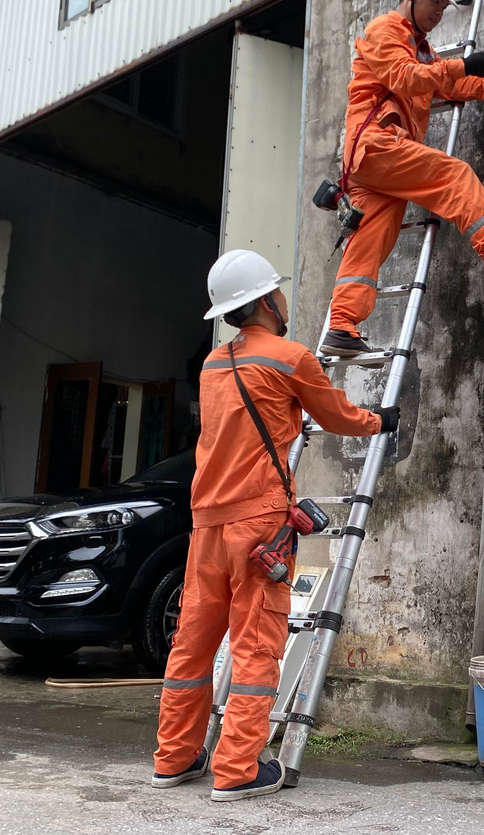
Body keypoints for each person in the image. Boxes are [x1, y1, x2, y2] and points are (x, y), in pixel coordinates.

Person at [152, 249, 395, 800]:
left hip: (206, 524)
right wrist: (381, 420)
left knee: (191, 645)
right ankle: (237, 770)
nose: (284, 299)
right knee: (257, 645)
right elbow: (335, 415)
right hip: (258, 524)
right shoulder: (290, 357)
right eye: (278, 292)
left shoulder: (213, 366)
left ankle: (174, 758)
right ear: (265, 300)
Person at [320, 0, 484, 357]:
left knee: (370, 240)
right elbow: (406, 77)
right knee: (454, 176)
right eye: (433, 1)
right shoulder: (385, 30)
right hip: (377, 145)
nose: (438, 11)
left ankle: (341, 325)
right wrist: (461, 67)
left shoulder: (420, 50)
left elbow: (451, 87)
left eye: (443, 5)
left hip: (371, 162)